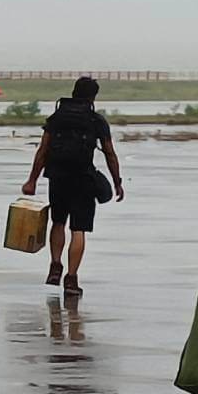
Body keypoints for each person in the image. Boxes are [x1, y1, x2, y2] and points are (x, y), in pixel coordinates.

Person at [21, 76, 123, 296]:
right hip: (84, 178)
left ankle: (55, 265)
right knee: (79, 230)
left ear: (74, 92)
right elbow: (110, 154)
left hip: (58, 177)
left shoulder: (56, 118)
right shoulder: (96, 121)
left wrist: (32, 180)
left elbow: (43, 151)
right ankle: (71, 278)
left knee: (58, 223)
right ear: (93, 96)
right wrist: (117, 182)